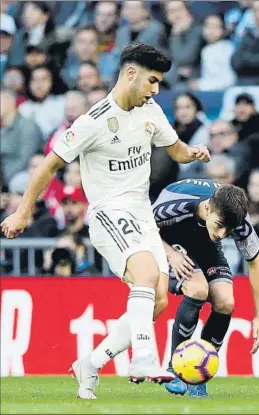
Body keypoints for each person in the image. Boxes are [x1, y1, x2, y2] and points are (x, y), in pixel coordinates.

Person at [1, 43, 210, 399]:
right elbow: (48, 166)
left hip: (141, 212)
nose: (156, 90)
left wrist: (192, 152)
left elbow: (175, 149)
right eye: (152, 81)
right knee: (145, 276)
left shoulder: (151, 111)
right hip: (108, 211)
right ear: (131, 73)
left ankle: (91, 363)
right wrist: (22, 211)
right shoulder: (92, 122)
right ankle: (143, 357)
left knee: (158, 300)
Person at [151, 179, 259, 397]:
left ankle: (198, 377)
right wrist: (171, 254)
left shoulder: (237, 217)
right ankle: (177, 369)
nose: (223, 234)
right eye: (220, 225)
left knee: (225, 302)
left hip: (204, 245)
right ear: (208, 208)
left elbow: (255, 263)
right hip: (165, 243)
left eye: (228, 230)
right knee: (198, 288)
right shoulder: (175, 204)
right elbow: (143, 227)